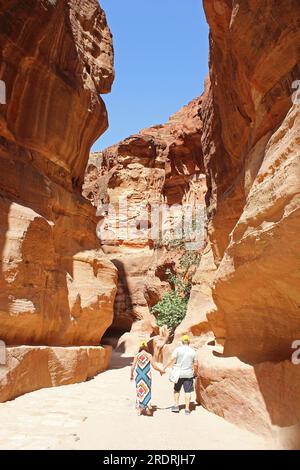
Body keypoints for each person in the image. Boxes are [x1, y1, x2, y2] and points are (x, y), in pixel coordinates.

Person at [164, 334, 198, 415]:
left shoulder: (178, 349)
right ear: (189, 342)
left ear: (182, 342)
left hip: (178, 374)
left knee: (176, 390)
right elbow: (196, 364)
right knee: (188, 391)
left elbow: (171, 359)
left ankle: (176, 406)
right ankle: (187, 409)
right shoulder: (193, 351)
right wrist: (195, 372)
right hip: (188, 374)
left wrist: (164, 368)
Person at [130, 341, 164, 416]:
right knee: (147, 390)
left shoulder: (137, 355)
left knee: (140, 391)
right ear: (146, 347)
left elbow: (133, 367)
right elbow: (154, 366)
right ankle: (148, 408)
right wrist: (161, 370)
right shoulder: (149, 355)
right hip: (147, 376)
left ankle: (139, 410)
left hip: (139, 376)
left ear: (140, 347)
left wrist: (131, 375)